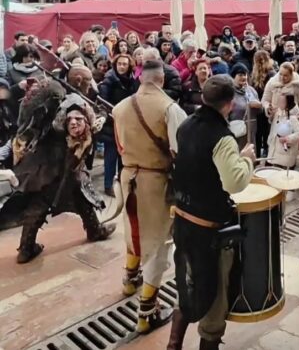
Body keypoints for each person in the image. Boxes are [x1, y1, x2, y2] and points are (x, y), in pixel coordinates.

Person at [166, 75, 256, 350]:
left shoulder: (186, 124)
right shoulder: (223, 137)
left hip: (181, 219)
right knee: (215, 296)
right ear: (229, 105)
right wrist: (247, 160)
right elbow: (234, 182)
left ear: (203, 98)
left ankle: (173, 345)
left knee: (187, 281)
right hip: (208, 230)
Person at [113, 60, 187, 334]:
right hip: (155, 182)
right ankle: (146, 313)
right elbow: (180, 151)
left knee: (133, 231)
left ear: (141, 79)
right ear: (162, 80)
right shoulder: (170, 108)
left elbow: (119, 145)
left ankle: (129, 280)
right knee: (158, 244)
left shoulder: (120, 107)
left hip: (128, 177)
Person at [3, 84, 115, 263]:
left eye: (78, 121)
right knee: (39, 205)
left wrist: (102, 115)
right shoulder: (53, 121)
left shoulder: (85, 115)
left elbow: (99, 124)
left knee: (82, 195)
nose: (75, 124)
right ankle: (26, 248)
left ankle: (94, 230)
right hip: (50, 168)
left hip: (70, 169)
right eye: (72, 121)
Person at [98, 54, 138, 196]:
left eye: (124, 64)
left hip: (127, 123)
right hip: (111, 123)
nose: (121, 66)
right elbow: (102, 102)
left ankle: (122, 182)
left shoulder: (133, 82)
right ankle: (108, 185)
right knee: (111, 155)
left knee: (124, 156)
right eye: (119, 64)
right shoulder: (109, 81)